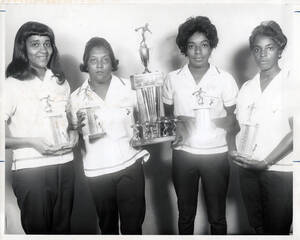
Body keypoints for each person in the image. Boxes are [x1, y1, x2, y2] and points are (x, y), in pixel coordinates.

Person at [162, 16, 239, 235]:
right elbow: (168, 118)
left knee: (217, 217)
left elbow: (233, 121)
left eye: (204, 45)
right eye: (192, 46)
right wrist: (179, 125)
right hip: (184, 154)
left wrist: (196, 120)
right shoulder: (173, 79)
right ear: (184, 49)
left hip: (216, 154)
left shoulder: (224, 79)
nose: (198, 51)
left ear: (211, 47)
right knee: (186, 215)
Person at [70, 37, 149, 234]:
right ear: (86, 64)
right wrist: (76, 130)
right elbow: (72, 136)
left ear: (112, 63)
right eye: (93, 60)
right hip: (97, 170)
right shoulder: (76, 97)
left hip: (129, 164)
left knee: (133, 227)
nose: (99, 66)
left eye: (105, 60)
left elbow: (147, 121)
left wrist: (142, 134)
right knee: (108, 227)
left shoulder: (129, 88)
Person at [5, 21, 78, 234]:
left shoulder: (60, 82)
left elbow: (70, 120)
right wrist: (31, 142)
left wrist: (73, 132)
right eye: (35, 44)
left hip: (65, 165)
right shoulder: (11, 85)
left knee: (63, 231)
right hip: (31, 170)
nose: (43, 50)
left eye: (47, 44)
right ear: (23, 48)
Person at [231, 20, 293, 235]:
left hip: (279, 172)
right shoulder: (247, 88)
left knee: (277, 230)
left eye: (270, 48)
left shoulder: (292, 84)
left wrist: (266, 162)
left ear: (280, 50)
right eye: (257, 49)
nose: (263, 55)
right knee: (257, 228)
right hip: (248, 170)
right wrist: (235, 149)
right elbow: (239, 127)